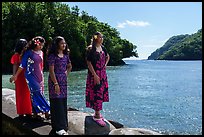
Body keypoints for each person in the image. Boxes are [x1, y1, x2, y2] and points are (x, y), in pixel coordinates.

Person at [10, 36, 50, 120]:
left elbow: (41, 65)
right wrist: (15, 75)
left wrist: (41, 75)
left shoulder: (39, 52)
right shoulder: (24, 54)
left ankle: (32, 112)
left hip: (36, 75)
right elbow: (18, 65)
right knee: (31, 94)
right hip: (25, 76)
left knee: (30, 95)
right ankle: (46, 110)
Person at [47, 36, 72, 135]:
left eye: (65, 43)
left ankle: (63, 125)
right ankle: (58, 127)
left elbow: (70, 66)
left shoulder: (66, 55)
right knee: (56, 103)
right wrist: (56, 83)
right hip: (55, 81)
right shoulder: (52, 56)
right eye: (62, 43)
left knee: (62, 102)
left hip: (63, 81)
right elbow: (51, 71)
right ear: (57, 44)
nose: (64, 45)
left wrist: (66, 73)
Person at [85, 32, 110, 127]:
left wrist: (104, 65)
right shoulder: (91, 49)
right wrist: (95, 75)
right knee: (96, 93)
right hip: (94, 74)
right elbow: (89, 63)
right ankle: (97, 116)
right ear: (96, 38)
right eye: (100, 37)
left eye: (102, 37)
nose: (101, 38)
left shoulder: (103, 48)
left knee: (101, 93)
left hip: (102, 74)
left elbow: (108, 56)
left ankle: (97, 113)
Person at [9, 39, 32, 119]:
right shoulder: (18, 56)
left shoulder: (26, 54)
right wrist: (14, 76)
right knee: (22, 94)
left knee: (25, 94)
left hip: (24, 76)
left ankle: (25, 112)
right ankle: (25, 112)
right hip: (21, 76)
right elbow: (15, 65)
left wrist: (14, 75)